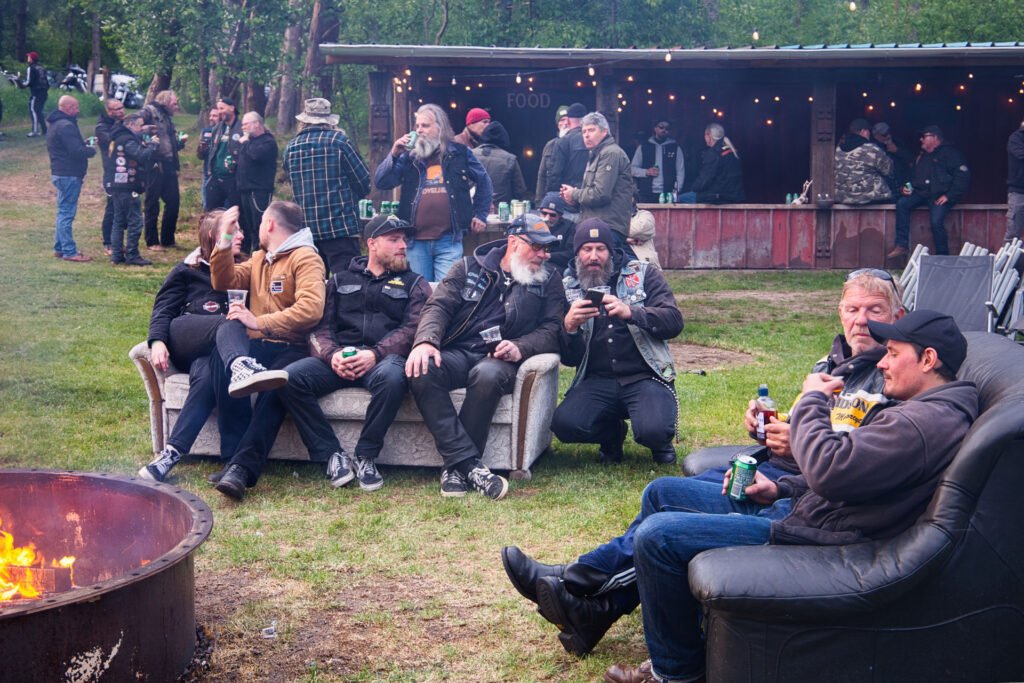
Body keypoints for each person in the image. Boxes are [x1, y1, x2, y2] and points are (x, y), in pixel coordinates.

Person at [502, 268, 904, 656]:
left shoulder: (893, 375)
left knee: (661, 525)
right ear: (840, 312)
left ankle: (582, 584)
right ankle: (594, 603)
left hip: (798, 494)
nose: (862, 321)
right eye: (853, 310)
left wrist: (793, 450)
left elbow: (849, 462)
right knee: (661, 490)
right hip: (780, 468)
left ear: (897, 317)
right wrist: (770, 424)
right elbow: (817, 424)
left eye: (874, 311)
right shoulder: (831, 361)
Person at [602, 309, 977, 683]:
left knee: (658, 538)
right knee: (663, 492)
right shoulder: (924, 412)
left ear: (928, 359)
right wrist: (781, 487)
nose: (882, 362)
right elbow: (860, 478)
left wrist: (811, 401)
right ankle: (609, 608)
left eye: (894, 353)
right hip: (805, 510)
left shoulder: (921, 424)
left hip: (820, 537)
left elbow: (831, 470)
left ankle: (676, 674)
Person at [212, 214, 432, 500]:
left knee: (393, 377)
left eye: (404, 239)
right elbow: (320, 326)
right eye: (394, 239)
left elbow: (412, 329)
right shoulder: (340, 279)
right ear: (372, 244)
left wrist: (374, 354)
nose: (403, 245)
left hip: (383, 360)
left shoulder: (416, 284)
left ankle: (366, 456)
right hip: (338, 356)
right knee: (289, 379)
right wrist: (332, 355)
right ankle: (331, 455)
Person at [405, 213, 565, 499]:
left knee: (487, 374)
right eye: (537, 247)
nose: (544, 254)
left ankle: (457, 469)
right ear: (514, 242)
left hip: (501, 359)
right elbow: (437, 307)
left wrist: (520, 347)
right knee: (423, 367)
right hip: (459, 351)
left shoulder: (549, 279)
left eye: (547, 248)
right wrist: (425, 342)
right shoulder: (468, 267)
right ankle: (468, 465)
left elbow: (553, 328)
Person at [551, 219, 682, 466]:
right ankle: (612, 434)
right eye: (586, 249)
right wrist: (568, 327)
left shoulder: (644, 274)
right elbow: (570, 359)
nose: (593, 256)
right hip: (597, 379)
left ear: (611, 251)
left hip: (644, 376)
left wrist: (631, 312)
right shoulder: (566, 288)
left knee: (652, 430)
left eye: (600, 249)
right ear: (576, 253)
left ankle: (659, 442)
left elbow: (674, 321)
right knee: (565, 425)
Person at [138, 212, 243, 482]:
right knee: (226, 323)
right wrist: (157, 340)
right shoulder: (187, 270)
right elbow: (163, 310)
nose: (241, 235)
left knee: (210, 374)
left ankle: (172, 454)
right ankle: (242, 367)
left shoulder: (244, 269)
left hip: (217, 354)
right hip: (187, 336)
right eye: (233, 229)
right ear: (213, 236)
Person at [374, 103, 493, 281]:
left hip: (449, 240)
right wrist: (393, 154)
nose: (420, 130)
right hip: (415, 241)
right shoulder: (408, 156)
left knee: (446, 293)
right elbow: (382, 182)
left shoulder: (460, 153)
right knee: (420, 293)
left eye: (425, 125)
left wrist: (480, 214)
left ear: (440, 127)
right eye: (417, 126)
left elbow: (484, 181)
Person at [282, 98, 372, 276]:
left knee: (313, 285)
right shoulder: (340, 142)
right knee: (348, 285)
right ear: (329, 120)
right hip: (340, 228)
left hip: (307, 231)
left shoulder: (291, 148)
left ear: (304, 121)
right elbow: (364, 181)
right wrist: (351, 199)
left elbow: (293, 185)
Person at [559, 112, 636, 254]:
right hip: (599, 226)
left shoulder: (610, 153)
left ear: (604, 131)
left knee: (600, 273)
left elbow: (601, 194)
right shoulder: (597, 154)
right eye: (583, 131)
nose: (586, 135)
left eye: (591, 130)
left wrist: (574, 194)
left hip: (606, 228)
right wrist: (572, 199)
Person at [889, 125, 970, 258]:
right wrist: (906, 187)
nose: (921, 140)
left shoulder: (951, 154)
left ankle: (942, 257)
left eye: (924, 136)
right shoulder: (921, 156)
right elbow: (911, 175)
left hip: (939, 196)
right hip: (921, 193)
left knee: (936, 221)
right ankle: (901, 245)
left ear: (935, 138)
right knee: (902, 204)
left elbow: (962, 177)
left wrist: (949, 195)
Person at [47, 95, 96, 262]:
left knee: (63, 212)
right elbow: (76, 151)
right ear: (66, 108)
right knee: (66, 213)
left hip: (60, 173)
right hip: (69, 174)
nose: (78, 110)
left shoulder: (56, 124)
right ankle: (69, 251)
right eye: (75, 107)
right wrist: (90, 150)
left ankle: (59, 248)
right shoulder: (66, 126)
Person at [106, 113, 157, 266]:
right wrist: (153, 145)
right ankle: (132, 254)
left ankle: (116, 255)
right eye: (140, 125)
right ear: (130, 125)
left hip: (116, 184)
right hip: (128, 186)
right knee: (135, 221)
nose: (142, 128)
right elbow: (141, 156)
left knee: (118, 221)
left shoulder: (116, 138)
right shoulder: (128, 140)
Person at [142, 90, 186, 251]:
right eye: (174, 103)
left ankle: (168, 239)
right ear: (165, 102)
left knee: (173, 201)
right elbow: (134, 128)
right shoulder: (148, 112)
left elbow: (169, 140)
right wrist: (145, 133)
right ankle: (152, 241)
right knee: (152, 203)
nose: (176, 106)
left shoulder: (167, 117)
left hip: (168, 164)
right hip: (154, 164)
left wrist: (179, 143)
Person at [236, 112, 277, 256]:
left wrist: (246, 142)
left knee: (259, 224)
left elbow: (256, 155)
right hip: (244, 190)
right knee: (247, 226)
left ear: (257, 124)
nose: (243, 127)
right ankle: (248, 255)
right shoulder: (249, 141)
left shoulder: (268, 142)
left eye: (246, 124)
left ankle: (262, 255)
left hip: (259, 191)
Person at [677, 123, 745, 205]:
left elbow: (705, 180)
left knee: (679, 199)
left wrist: (693, 187)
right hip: (733, 196)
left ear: (708, 135)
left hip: (717, 196)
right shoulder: (732, 153)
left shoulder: (714, 154)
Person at [834, 118, 893, 205]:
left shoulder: (838, 149)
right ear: (863, 131)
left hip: (842, 197)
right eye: (868, 131)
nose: (870, 134)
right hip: (866, 196)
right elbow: (889, 171)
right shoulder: (871, 149)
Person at [202, 96, 242, 215]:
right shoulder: (217, 128)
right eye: (218, 109)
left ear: (232, 108)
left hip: (233, 179)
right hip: (214, 177)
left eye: (222, 108)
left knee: (233, 214)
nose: (219, 111)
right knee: (212, 214)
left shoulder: (240, 128)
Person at [96, 99, 126, 256]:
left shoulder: (122, 123)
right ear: (109, 112)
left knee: (123, 209)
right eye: (117, 109)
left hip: (124, 171)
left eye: (122, 107)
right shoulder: (102, 127)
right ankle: (108, 242)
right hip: (111, 172)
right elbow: (112, 142)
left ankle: (118, 242)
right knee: (112, 208)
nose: (122, 111)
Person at [474, 120, 528, 205]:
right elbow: (519, 192)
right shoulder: (510, 159)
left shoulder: (469, 155)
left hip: (472, 210)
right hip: (500, 212)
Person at [631, 120, 685, 204]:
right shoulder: (643, 147)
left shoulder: (675, 147)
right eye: (661, 127)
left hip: (668, 194)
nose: (664, 130)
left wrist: (677, 190)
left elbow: (680, 171)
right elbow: (632, 169)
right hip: (646, 193)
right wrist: (646, 172)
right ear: (655, 128)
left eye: (667, 128)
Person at [545, 102, 589, 195]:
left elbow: (554, 175)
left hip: (567, 195)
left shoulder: (562, 141)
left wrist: (552, 195)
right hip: (589, 194)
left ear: (568, 121)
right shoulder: (594, 140)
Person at [535, 105, 570, 204]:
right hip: (551, 200)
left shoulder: (579, 144)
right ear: (557, 124)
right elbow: (542, 175)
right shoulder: (550, 145)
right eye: (562, 120)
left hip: (571, 200)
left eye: (568, 120)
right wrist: (539, 202)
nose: (565, 123)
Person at [872, 122, 915, 197]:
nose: (888, 136)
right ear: (876, 136)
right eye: (884, 134)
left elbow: (912, 159)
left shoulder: (898, 142)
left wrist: (897, 151)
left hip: (903, 181)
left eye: (889, 132)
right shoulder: (873, 148)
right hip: (885, 186)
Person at [537, 192, 576, 272]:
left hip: (558, 267)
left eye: (552, 215)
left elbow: (572, 254)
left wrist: (550, 256)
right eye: (544, 213)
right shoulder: (534, 226)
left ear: (560, 215)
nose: (547, 218)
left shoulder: (570, 227)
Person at [18, 51, 48, 137]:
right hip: (44, 93)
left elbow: (28, 82)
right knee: (39, 111)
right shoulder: (41, 67)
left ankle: (34, 131)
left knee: (34, 110)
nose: (27, 58)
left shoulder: (31, 68)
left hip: (36, 93)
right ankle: (44, 130)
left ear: (31, 59)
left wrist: (19, 82)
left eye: (29, 57)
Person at [1005, 119, 1024, 243]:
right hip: (1019, 191)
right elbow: (1021, 154)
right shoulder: (1016, 138)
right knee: (1013, 233)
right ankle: (1009, 262)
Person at [198, 108, 221, 209]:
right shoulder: (205, 131)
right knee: (207, 206)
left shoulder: (226, 131)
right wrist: (201, 149)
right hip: (208, 173)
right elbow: (199, 155)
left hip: (221, 173)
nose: (211, 118)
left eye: (215, 116)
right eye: (210, 115)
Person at [627, 200, 660, 268]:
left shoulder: (645, 215)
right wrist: (626, 239)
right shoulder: (610, 216)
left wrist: (616, 233)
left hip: (643, 264)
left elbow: (639, 229)